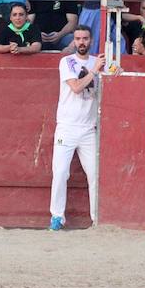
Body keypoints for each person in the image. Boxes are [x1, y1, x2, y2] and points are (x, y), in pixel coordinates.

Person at [49, 25, 103, 231]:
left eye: (85, 38)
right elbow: (77, 87)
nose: (82, 42)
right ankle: (57, 216)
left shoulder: (97, 62)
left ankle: (96, 218)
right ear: (74, 40)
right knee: (61, 172)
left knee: (94, 175)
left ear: (91, 40)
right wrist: (95, 71)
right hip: (67, 127)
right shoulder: (67, 62)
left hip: (89, 129)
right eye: (78, 38)